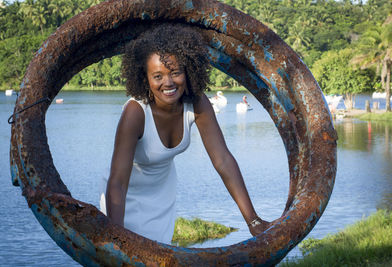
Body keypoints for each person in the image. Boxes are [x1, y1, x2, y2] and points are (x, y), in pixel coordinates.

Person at [101, 23, 269, 244]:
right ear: (145, 78)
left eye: (176, 72)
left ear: (188, 71)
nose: (168, 83)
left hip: (162, 196)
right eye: (158, 76)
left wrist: (253, 222)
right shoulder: (135, 113)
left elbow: (223, 160)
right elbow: (118, 182)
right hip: (122, 199)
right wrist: (117, 237)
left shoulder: (197, 102)